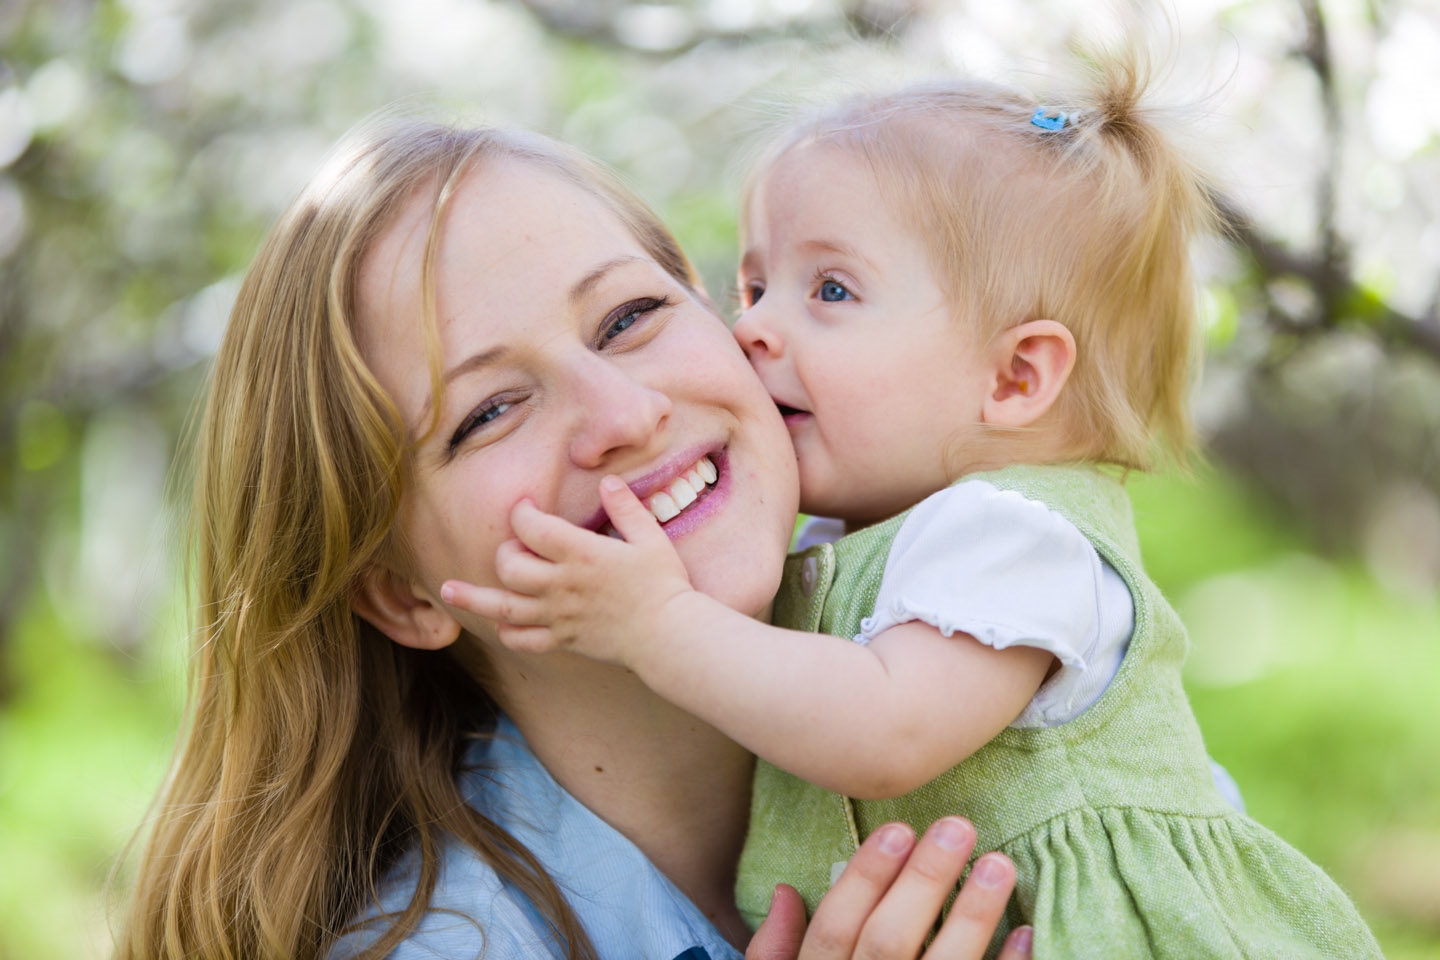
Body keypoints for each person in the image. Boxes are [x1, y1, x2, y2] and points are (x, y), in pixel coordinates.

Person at [443, 57, 1385, 957]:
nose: (754, 327)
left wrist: (656, 623)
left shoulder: (1013, 538)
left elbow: (883, 732)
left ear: (1015, 377)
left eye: (832, 289)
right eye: (754, 287)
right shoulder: (864, 544)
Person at [112, 118, 1034, 960]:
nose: (624, 415)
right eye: (488, 412)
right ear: (400, 593)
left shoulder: (994, 642)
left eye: (629, 318)